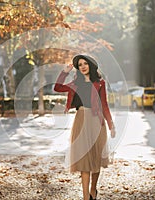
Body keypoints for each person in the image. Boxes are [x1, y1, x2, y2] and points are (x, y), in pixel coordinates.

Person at [54, 55, 116, 200]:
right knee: (84, 161)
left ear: (91, 65)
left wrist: (111, 125)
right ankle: (85, 197)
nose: (82, 66)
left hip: (96, 122)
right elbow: (57, 87)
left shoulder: (100, 83)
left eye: (85, 63)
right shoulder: (75, 83)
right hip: (81, 121)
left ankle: (93, 189)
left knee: (95, 160)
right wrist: (64, 72)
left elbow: (104, 105)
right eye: (80, 64)